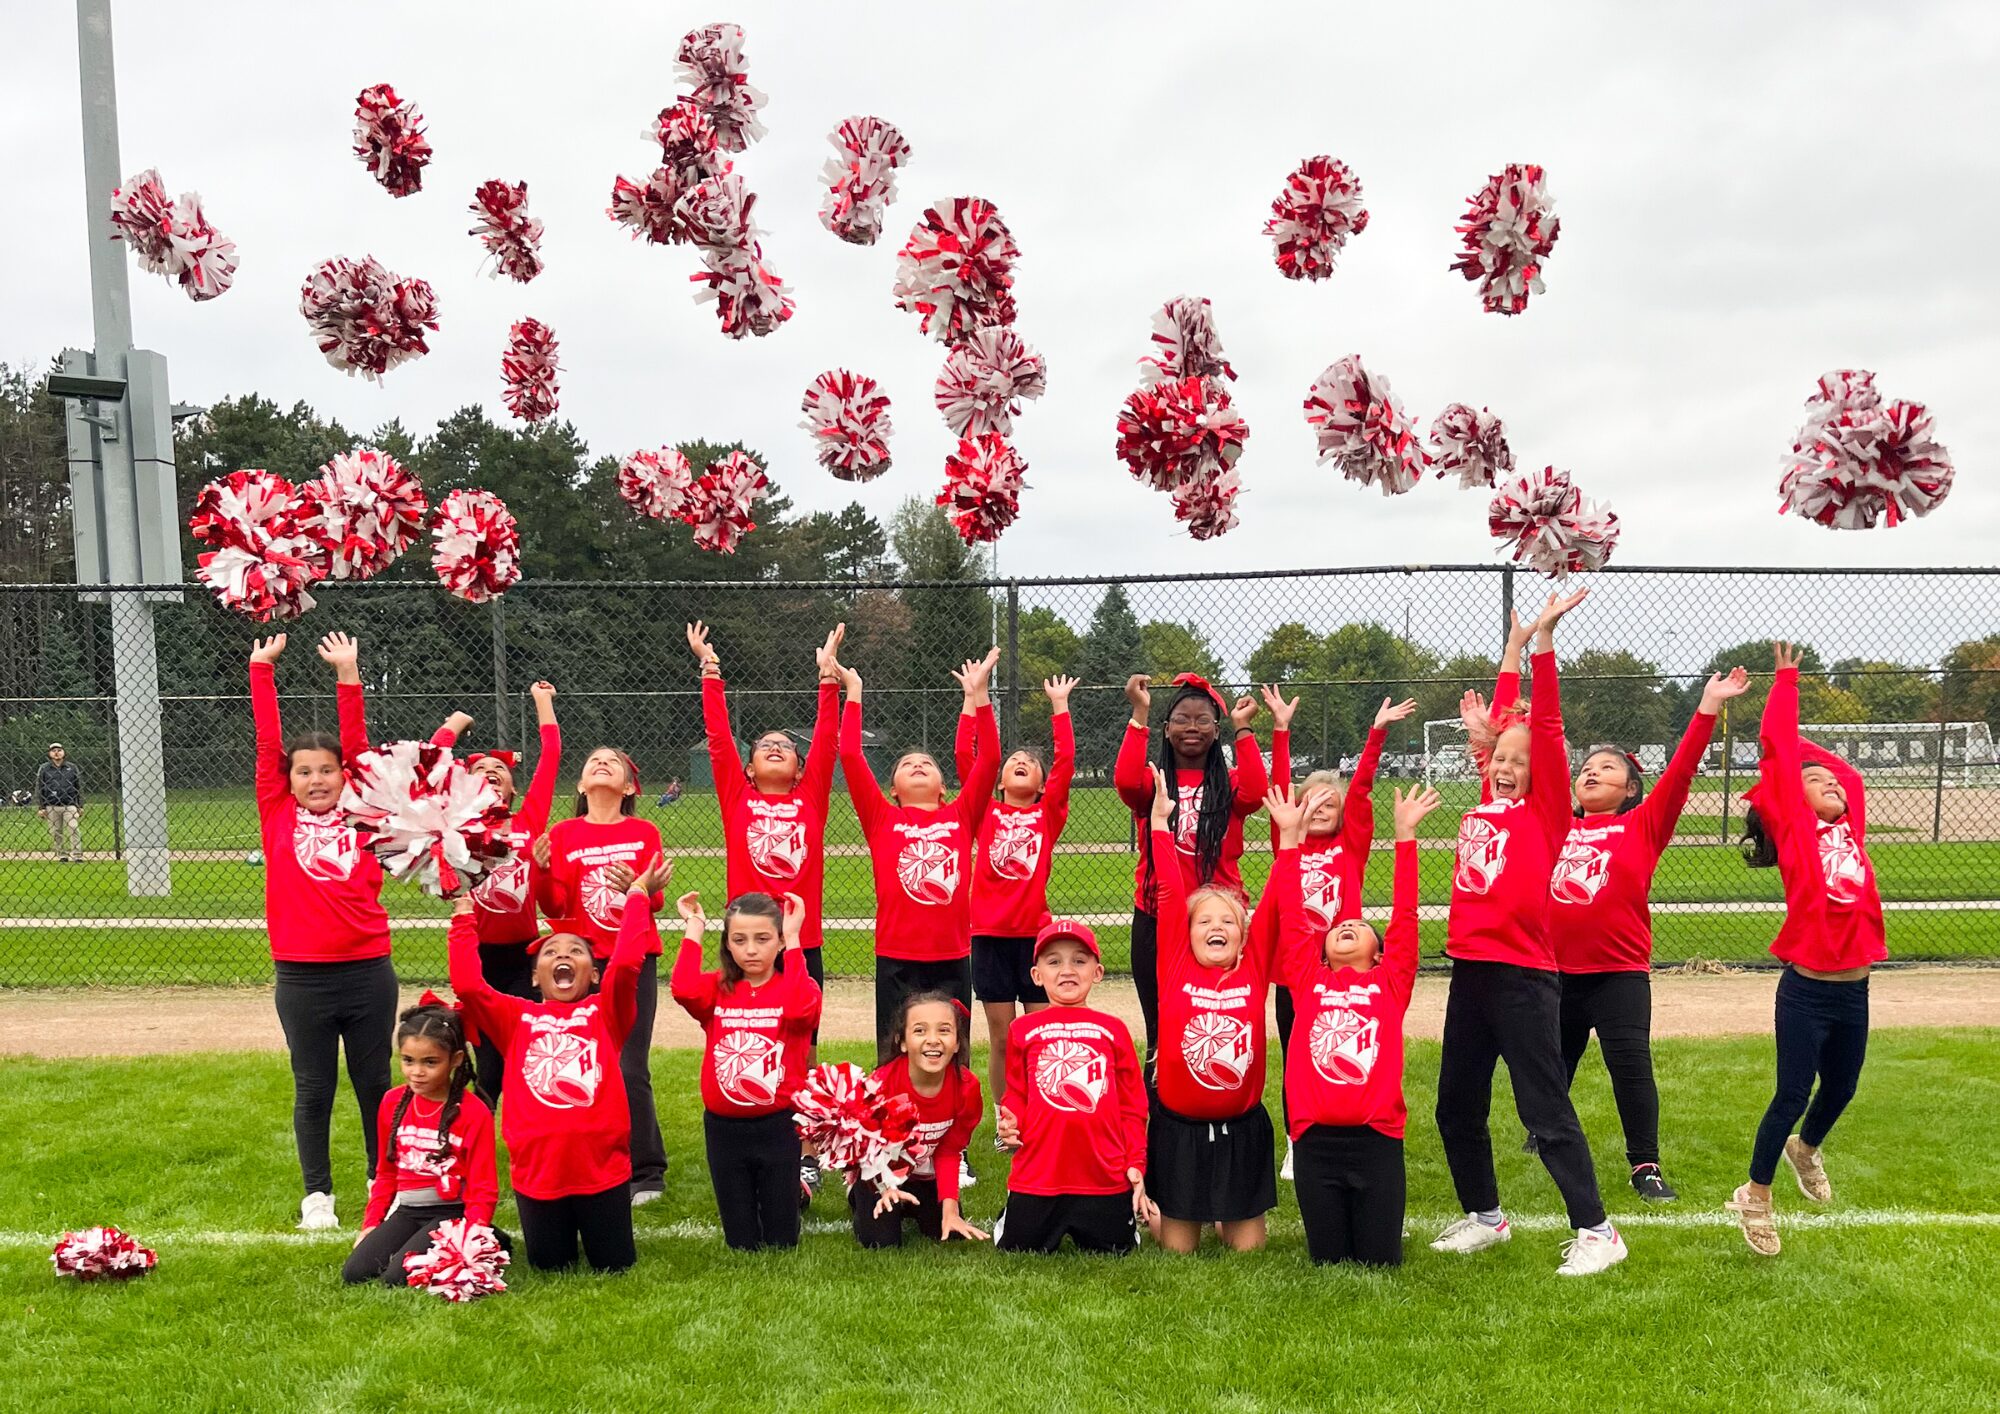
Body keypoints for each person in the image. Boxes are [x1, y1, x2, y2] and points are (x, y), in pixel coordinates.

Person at [1480, 617, 1750, 1201]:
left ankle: (1644, 1164)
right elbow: (1504, 753)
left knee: (1630, 1065)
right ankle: (1546, 1131)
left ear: (1631, 788)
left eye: (1607, 768)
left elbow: (1678, 776)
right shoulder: (1546, 820)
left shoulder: (1642, 825)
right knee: (1553, 1062)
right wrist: (1514, 654)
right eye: (1585, 767)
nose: (1590, 772)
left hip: (1619, 973)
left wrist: (1706, 706)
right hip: (1554, 969)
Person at [1430, 589, 1628, 1277]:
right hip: (1471, 971)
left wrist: (1542, 646)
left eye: (1519, 759)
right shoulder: (1492, 797)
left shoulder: (1546, 812)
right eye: (1499, 758)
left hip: (1522, 977)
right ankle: (1487, 1218)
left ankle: (1598, 1230)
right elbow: (1509, 725)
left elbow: (1541, 725)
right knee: (1455, 1104)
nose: (1508, 765)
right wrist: (1511, 650)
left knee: (1542, 1109)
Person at [1725, 642, 1886, 1257]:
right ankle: (1756, 1194)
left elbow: (1844, 774)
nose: (1831, 783)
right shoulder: (1795, 833)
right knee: (1791, 1093)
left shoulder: (1850, 826)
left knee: (1841, 1089)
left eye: (1832, 782)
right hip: (1807, 991)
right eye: (1813, 781)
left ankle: (1807, 1148)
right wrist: (1786, 681)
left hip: (1856, 989)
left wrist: (1813, 765)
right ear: (1790, 801)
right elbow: (1778, 749)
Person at [448, 861, 668, 1273]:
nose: (562, 955)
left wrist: (637, 896)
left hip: (602, 1173)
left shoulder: (607, 1011)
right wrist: (463, 921)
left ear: (594, 973)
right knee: (550, 1267)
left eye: (575, 951)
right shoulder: (515, 1017)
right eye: (551, 952)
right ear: (535, 977)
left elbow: (627, 965)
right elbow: (468, 986)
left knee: (614, 1266)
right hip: (539, 1178)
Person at [249, 632, 396, 1233]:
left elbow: (360, 748)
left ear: (343, 777)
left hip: (367, 971)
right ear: (288, 780)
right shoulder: (275, 809)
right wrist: (261, 670)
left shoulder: (361, 805)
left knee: (375, 1083)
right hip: (302, 976)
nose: (315, 779)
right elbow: (267, 746)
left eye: (326, 770)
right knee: (313, 1087)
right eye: (303, 771)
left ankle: (379, 1181)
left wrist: (349, 671)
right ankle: (318, 1197)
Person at [1272, 781, 1439, 1266]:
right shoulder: (1306, 979)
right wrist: (1289, 842)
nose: (1348, 926)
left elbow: (1406, 915)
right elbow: (1290, 911)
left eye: (1362, 927)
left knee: (1380, 1259)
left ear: (1380, 951)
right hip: (1315, 1141)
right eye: (1341, 926)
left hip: (1377, 1141)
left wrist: (1405, 835)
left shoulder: (1391, 982)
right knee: (1327, 1259)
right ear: (1320, 947)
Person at [1262, 688, 1414, 1180]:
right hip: (1300, 969)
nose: (1320, 807)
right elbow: (1280, 792)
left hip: (1345, 971)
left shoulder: (1350, 847)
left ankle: (1358, 1116)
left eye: (1331, 801)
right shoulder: (1289, 842)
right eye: (1312, 801)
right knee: (1295, 1052)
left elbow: (1365, 788)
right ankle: (1295, 1137)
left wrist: (1376, 733)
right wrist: (1280, 731)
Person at [1142, 766, 1283, 1254]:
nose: (1216, 926)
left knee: (1248, 1251)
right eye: (1205, 920)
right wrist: (1160, 825)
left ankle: (1230, 1214)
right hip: (1179, 1132)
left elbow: (1274, 905)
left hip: (1240, 1131)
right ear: (1188, 932)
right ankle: (1150, 1209)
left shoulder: (1253, 969)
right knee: (1179, 1250)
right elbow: (1167, 892)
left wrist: (1292, 841)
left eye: (1228, 921)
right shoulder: (1175, 964)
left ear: (1244, 938)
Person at [835, 649, 1000, 1049]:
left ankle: (952, 1113)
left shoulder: (961, 815)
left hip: (951, 955)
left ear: (944, 786)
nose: (918, 765)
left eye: (927, 763)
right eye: (907, 764)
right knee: (894, 1051)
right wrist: (853, 691)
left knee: (950, 1049)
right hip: (897, 957)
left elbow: (990, 758)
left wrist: (979, 697)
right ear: (892, 788)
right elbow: (851, 755)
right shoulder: (882, 817)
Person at [534, 746, 669, 1206]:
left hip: (632, 960)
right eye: (593, 760)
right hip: (585, 963)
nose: (601, 763)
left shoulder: (643, 830)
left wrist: (640, 886)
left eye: (613, 762)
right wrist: (541, 870)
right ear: (580, 784)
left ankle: (647, 1170)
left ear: (630, 787)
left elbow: (654, 905)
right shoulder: (564, 832)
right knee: (585, 1061)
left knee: (630, 1064)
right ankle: (590, 1155)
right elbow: (554, 909)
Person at [1113, 672, 1267, 1064]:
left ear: (1217, 732)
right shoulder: (1154, 782)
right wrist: (1139, 712)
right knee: (1160, 1026)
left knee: (1214, 1017)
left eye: (1203, 720)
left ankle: (1214, 1093)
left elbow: (1254, 792)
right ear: (1166, 730)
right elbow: (1126, 781)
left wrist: (1244, 728)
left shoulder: (1228, 783)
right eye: (1182, 719)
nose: (1192, 727)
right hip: (1156, 914)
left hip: (1217, 919)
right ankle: (1163, 1112)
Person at [429, 680, 564, 1106]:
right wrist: (454, 724)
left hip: (524, 956)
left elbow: (551, 758)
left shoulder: (528, 822)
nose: (491, 773)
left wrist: (543, 703)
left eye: (500, 770)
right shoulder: (456, 824)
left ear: (512, 788)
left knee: (523, 1050)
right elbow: (427, 768)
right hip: (478, 954)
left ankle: (530, 1132)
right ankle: (476, 1137)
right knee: (488, 1064)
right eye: (480, 770)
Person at [670, 890, 822, 1252]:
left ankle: (793, 1189)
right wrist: (694, 927)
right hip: (725, 1129)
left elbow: (803, 1011)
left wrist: (797, 937)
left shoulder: (797, 987)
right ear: (728, 944)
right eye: (739, 940)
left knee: (782, 1239)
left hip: (778, 1124)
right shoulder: (716, 989)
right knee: (741, 1242)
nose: (751, 949)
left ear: (780, 941)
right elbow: (682, 988)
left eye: (763, 939)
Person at [959, 674, 1077, 1140]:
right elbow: (966, 759)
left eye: (1030, 762)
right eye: (1013, 761)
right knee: (1003, 1037)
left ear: (1043, 783)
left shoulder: (1047, 814)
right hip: (989, 936)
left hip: (1033, 938)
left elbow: (1066, 761)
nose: (1021, 763)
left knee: (1041, 1032)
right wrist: (974, 701)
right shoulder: (984, 812)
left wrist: (1059, 706)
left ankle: (1046, 1110)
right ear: (1000, 778)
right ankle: (1005, 1119)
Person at [992, 919, 1150, 1255]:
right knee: (1017, 1249)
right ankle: (1016, 1210)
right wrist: (1010, 1120)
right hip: (1039, 1175)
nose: (1067, 970)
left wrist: (1135, 1163)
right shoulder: (1024, 1029)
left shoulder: (1113, 1030)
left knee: (1117, 1250)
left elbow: (1133, 1106)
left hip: (1103, 1177)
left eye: (1079, 961)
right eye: (1054, 962)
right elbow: (1017, 1093)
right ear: (1037, 976)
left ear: (1098, 972)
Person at [343, 996, 505, 1286]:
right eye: (408, 1060)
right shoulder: (392, 1102)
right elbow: (385, 1173)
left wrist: (473, 1235)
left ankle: (491, 1237)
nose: (416, 1072)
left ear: (455, 1059)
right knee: (355, 1273)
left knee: (395, 1278)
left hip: (451, 1211)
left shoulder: (473, 1112)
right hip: (408, 1211)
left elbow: (483, 1186)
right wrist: (371, 1225)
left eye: (430, 1062)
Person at [854, 991, 988, 1248]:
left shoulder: (967, 1087)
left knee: (948, 1234)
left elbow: (949, 1150)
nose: (933, 1040)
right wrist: (884, 1186)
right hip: (881, 1172)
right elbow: (866, 1149)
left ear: (958, 1042)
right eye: (920, 1031)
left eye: (944, 1030)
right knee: (882, 1242)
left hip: (926, 1176)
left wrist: (950, 1209)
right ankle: (857, 1196)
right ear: (901, 1041)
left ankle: (919, 1205)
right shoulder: (881, 1085)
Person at [36, 742, 83, 862]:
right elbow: (39, 788)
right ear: (49, 754)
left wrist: (80, 805)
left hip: (70, 804)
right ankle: (62, 854)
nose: (56, 752)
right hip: (51, 805)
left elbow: (78, 787)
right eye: (53, 750)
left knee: (73, 828)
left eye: (59, 750)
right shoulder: (44, 768)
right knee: (56, 831)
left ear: (64, 752)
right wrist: (41, 807)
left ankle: (77, 855)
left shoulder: (72, 767)